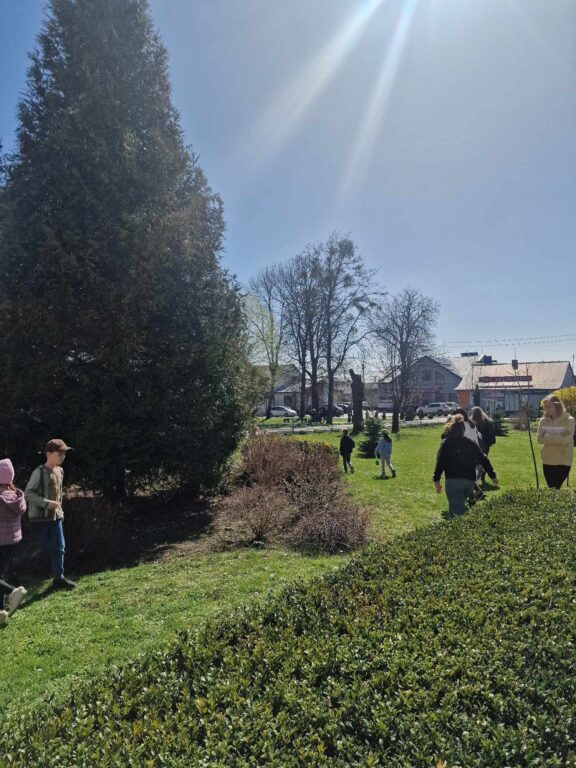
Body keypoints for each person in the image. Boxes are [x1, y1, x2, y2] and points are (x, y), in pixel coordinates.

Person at [25, 439, 77, 590]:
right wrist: (46, 503)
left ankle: (58, 579)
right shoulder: (39, 472)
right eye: (59, 453)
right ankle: (15, 574)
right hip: (40, 518)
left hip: (56, 517)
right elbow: (28, 493)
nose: (62, 456)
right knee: (39, 547)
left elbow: (59, 494)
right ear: (48, 454)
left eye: (64, 453)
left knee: (60, 547)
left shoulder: (60, 471)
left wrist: (60, 511)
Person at [433, 415, 498, 517]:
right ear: (464, 430)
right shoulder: (470, 442)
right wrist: (492, 476)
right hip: (469, 482)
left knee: (457, 513)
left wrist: (436, 480)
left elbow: (441, 462)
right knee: (455, 509)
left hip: (453, 481)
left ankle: (464, 529)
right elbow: (483, 459)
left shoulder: (447, 443)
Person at [0, 459, 28, 625]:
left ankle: (13, 591)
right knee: (1, 574)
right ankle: (1, 611)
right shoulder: (17, 495)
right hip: (13, 541)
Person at [537, 395, 575, 489]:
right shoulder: (543, 421)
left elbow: (565, 440)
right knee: (552, 489)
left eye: (549, 406)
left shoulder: (569, 420)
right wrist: (559, 435)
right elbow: (539, 439)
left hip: (563, 460)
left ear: (557, 406)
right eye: (545, 407)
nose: (546, 409)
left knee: (556, 487)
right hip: (547, 459)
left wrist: (548, 436)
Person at [470, 406, 497, 483]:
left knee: (475, 461)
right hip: (486, 445)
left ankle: (476, 476)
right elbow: (491, 434)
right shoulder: (487, 422)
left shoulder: (472, 422)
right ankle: (482, 476)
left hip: (476, 444)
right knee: (484, 460)